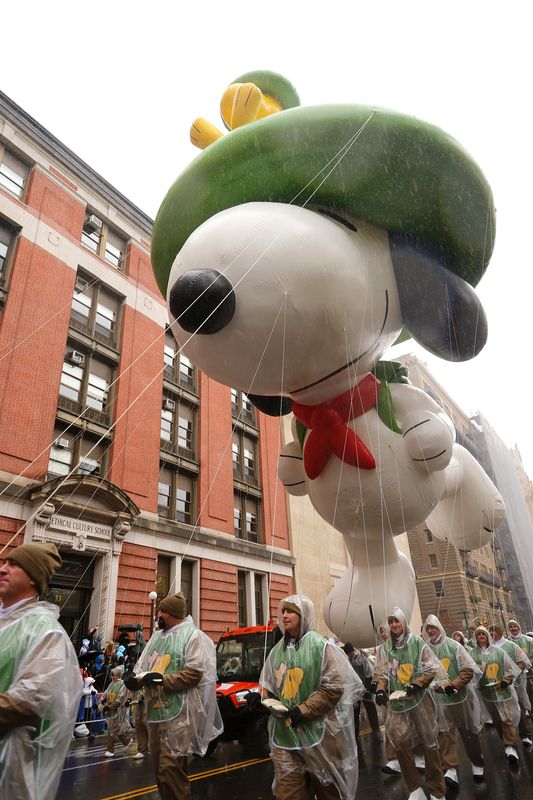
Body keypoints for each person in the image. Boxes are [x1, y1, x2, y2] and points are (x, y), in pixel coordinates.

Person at [0, 542, 82, 799]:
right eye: (4, 562)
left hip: (9, 770)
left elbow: (28, 702)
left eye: (14, 565)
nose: (3, 569)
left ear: (34, 579)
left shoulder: (47, 633)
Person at [259, 594, 361, 800]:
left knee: (328, 791)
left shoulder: (321, 647)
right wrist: (262, 699)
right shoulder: (277, 651)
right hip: (285, 736)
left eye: (290, 611)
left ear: (303, 615)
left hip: (319, 737)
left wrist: (302, 710)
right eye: (283, 611)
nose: (284, 615)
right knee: (287, 793)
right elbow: (269, 686)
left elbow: (333, 687)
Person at [125, 592, 222, 799]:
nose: (158, 614)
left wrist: (162, 680)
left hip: (180, 716)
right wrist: (133, 679)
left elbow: (194, 673)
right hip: (156, 713)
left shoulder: (193, 636)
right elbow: (141, 666)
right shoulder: (157, 637)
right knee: (160, 771)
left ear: (173, 613)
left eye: (162, 611)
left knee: (171, 769)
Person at [374, 607, 446, 800]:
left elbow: (431, 669)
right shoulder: (385, 648)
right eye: (390, 622)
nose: (394, 625)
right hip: (397, 703)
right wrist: (381, 689)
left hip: (419, 700)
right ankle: (414, 788)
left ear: (403, 623)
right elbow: (381, 674)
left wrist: (416, 684)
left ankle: (437, 790)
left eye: (396, 621)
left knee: (429, 743)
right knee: (400, 742)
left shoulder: (417, 643)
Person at [422, 614, 484, 785]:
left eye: (433, 627)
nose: (430, 631)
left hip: (460, 699)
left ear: (439, 628)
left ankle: (477, 763)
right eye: (428, 628)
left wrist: (454, 685)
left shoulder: (454, 646)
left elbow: (467, 670)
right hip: (438, 701)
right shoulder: (424, 650)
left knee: (469, 733)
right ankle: (450, 769)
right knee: (444, 734)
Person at [471, 625, 521, 763]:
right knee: (497, 719)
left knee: (507, 718)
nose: (481, 637)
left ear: (487, 636)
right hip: (486, 693)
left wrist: (506, 679)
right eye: (478, 635)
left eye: (483, 634)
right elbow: (469, 672)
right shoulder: (472, 654)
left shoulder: (499, 652)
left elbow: (511, 668)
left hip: (503, 690)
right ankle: (505, 742)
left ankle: (510, 746)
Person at [489, 622, 533, 746]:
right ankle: (509, 743)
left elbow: (523, 661)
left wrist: (513, 674)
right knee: (502, 714)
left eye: (493, 631)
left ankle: (525, 735)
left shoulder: (510, 645)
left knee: (518, 707)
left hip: (515, 683)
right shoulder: (489, 648)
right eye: (490, 631)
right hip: (497, 686)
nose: (491, 633)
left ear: (499, 632)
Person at [341, 642, 381, 737]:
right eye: (349, 653)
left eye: (350, 652)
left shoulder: (361, 658)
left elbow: (368, 674)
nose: (350, 654)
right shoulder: (348, 659)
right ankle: (355, 732)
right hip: (355, 689)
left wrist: (367, 688)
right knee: (355, 711)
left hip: (365, 687)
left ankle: (376, 729)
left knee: (370, 708)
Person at [99, 665, 132, 757]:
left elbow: (120, 698)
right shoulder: (111, 684)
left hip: (119, 710)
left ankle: (110, 750)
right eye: (112, 675)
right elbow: (105, 694)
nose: (113, 677)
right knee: (115, 729)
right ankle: (127, 741)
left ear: (119, 675)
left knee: (112, 730)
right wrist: (100, 702)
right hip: (111, 710)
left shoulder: (123, 684)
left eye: (115, 675)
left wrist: (111, 706)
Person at [507, 619, 533, 712]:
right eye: (511, 627)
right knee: (521, 700)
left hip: (530, 675)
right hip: (516, 677)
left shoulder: (529, 640)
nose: (513, 628)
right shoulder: (507, 642)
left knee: (531, 696)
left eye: (515, 626)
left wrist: (525, 665)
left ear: (518, 627)